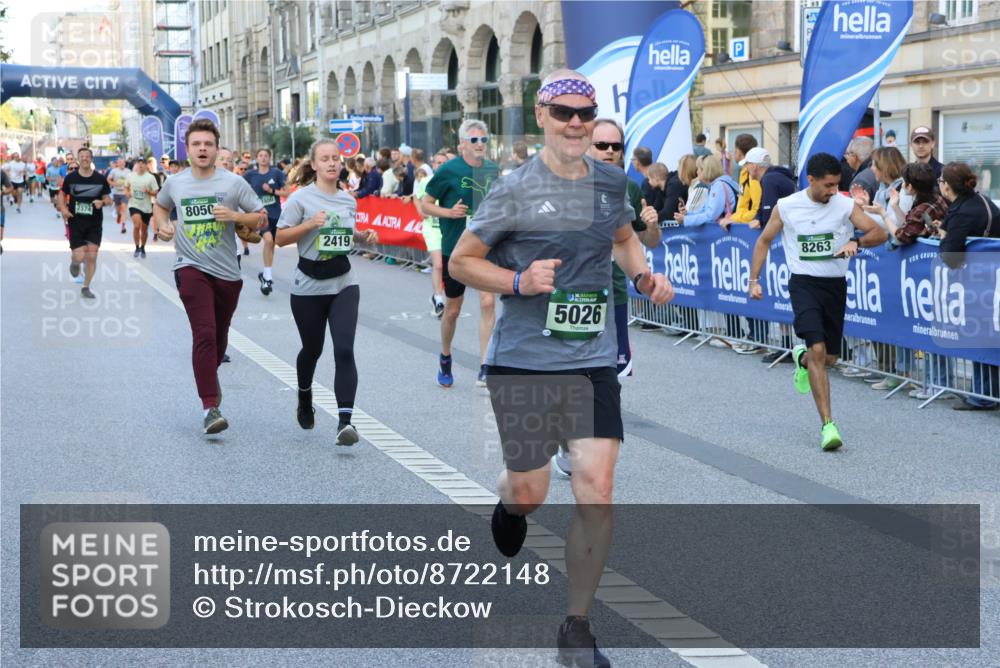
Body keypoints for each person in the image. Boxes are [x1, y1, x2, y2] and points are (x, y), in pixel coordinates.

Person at [448, 69, 673, 668]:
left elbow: (623, 238)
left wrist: (643, 275)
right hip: (523, 360)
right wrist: (518, 280)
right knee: (532, 489)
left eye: (586, 112)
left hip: (591, 359)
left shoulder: (609, 182)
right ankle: (509, 502)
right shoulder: (514, 189)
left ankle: (577, 624)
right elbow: (462, 262)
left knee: (596, 487)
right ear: (543, 117)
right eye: (564, 113)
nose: (576, 122)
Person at [748, 152, 887, 450]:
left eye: (837, 185)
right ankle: (828, 425)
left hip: (835, 285)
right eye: (828, 185)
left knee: (830, 359)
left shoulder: (844, 205)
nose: (833, 191)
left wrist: (857, 241)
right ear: (810, 180)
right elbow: (763, 241)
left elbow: (880, 232)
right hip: (804, 283)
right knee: (819, 348)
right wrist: (754, 280)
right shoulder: (787, 207)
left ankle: (801, 359)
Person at [152, 119, 267, 434]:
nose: (202, 149)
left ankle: (209, 376)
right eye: (196, 144)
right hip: (189, 267)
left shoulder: (233, 183)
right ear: (187, 150)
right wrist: (161, 225)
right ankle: (209, 407)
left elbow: (260, 218)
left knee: (218, 338)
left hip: (228, 271)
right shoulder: (175, 183)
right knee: (203, 334)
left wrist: (235, 216)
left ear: (217, 149)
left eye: (208, 144)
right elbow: (160, 207)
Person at [275, 139, 379, 444]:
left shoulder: (348, 200)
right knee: (312, 350)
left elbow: (344, 236)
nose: (332, 163)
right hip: (308, 285)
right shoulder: (301, 199)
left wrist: (363, 237)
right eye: (325, 159)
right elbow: (280, 238)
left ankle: (345, 422)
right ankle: (304, 396)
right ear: (315, 164)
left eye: (336, 158)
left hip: (343, 281)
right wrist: (309, 224)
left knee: (344, 349)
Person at [421, 119, 499, 387]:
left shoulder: (492, 169)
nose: (480, 145)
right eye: (474, 140)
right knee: (453, 310)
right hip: (456, 250)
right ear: (462, 144)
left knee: (488, 302)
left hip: (486, 247)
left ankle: (485, 366)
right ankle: (445, 355)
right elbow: (425, 206)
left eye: (484, 140)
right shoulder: (449, 170)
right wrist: (449, 212)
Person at [589, 117, 660, 356]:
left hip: (615, 290)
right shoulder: (565, 184)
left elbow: (648, 240)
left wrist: (652, 226)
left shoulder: (628, 187)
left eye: (615, 146)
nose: (609, 151)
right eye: (601, 145)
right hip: (572, 294)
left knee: (610, 377)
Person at [933, 162, 1000, 411]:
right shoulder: (978, 201)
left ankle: (983, 396)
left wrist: (944, 238)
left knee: (984, 336)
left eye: (940, 181)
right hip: (988, 277)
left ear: (948, 186)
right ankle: (984, 393)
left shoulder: (963, 211)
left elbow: (951, 257)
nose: (939, 184)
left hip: (982, 280)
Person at [743, 147, 797, 363]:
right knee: (780, 292)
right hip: (785, 242)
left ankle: (790, 347)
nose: (746, 169)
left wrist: (762, 221)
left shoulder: (770, 180)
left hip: (788, 242)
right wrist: (758, 217)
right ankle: (786, 345)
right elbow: (765, 209)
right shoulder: (774, 177)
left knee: (786, 292)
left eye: (747, 165)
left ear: (755, 166)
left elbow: (772, 212)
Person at [58, 147, 112, 299]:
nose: (84, 159)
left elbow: (109, 199)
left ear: (91, 159)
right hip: (76, 221)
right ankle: (75, 263)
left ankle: (86, 287)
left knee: (92, 256)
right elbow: (62, 195)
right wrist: (63, 209)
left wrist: (102, 202)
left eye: (87, 156)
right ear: (78, 158)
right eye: (81, 156)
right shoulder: (71, 178)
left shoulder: (100, 179)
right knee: (80, 256)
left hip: (94, 223)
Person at [243, 147, 288, 295]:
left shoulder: (276, 173)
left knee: (271, 245)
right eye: (260, 155)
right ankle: (268, 278)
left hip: (275, 214)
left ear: (269, 158)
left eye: (266, 156)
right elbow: (240, 189)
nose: (263, 158)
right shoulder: (250, 175)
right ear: (256, 158)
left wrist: (272, 191)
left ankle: (266, 275)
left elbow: (287, 192)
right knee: (268, 241)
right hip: (260, 215)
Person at [412, 164, 444, 318]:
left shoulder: (458, 180)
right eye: (438, 163)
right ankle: (438, 298)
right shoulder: (427, 180)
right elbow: (416, 197)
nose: (441, 165)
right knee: (438, 264)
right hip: (432, 228)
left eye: (444, 162)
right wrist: (420, 210)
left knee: (451, 266)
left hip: (451, 228)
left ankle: (448, 297)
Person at [125, 157, 159, 258]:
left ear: (146, 165)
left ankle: (143, 247)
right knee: (137, 225)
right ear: (136, 165)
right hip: (134, 204)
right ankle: (136, 247)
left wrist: (148, 191)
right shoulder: (130, 176)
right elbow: (126, 187)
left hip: (146, 207)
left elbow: (156, 192)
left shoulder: (150, 178)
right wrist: (127, 193)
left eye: (143, 163)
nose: (140, 165)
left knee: (144, 230)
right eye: (138, 163)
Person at [730, 133, 761, 226]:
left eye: (734, 151)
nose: (733, 153)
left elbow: (757, 210)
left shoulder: (754, 176)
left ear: (739, 152)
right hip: (743, 224)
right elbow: (742, 204)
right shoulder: (744, 172)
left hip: (752, 229)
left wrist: (735, 219)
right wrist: (733, 218)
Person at [845, 136, 877, 202]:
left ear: (854, 156)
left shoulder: (860, 181)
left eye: (847, 154)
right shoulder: (878, 169)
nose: (845, 157)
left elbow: (857, 209)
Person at [108, 157, 131, 234]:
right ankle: (118, 215)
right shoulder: (114, 171)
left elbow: (132, 181)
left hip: (125, 193)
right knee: (118, 210)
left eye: (123, 162)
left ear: (125, 163)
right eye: (120, 162)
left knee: (124, 208)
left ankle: (123, 226)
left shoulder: (128, 171)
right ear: (117, 163)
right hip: (116, 193)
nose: (121, 163)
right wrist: (114, 184)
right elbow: (108, 179)